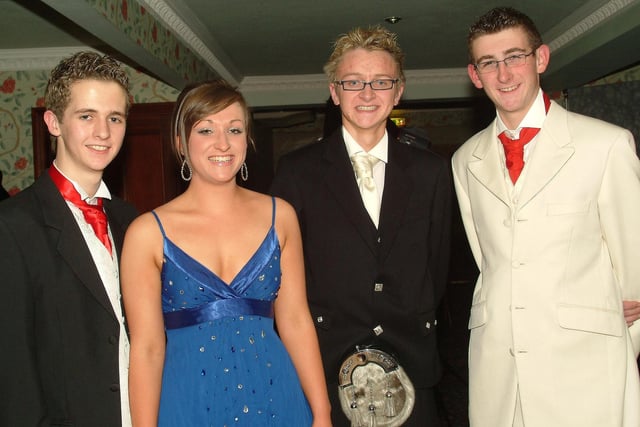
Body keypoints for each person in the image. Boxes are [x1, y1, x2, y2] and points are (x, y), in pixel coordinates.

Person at [452, 7, 640, 427]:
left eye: (515, 56)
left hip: (586, 372)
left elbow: (635, 283)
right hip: (498, 374)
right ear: (475, 74)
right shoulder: (465, 159)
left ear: (541, 59)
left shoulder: (606, 145)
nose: (504, 74)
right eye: (489, 63)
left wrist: (613, 356)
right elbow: (491, 264)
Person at [121, 79, 331, 426]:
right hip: (189, 404)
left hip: (278, 399)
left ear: (247, 140)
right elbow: (146, 349)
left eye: (234, 129)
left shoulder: (281, 217)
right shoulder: (146, 233)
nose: (222, 143)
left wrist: (321, 413)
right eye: (205, 130)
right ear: (181, 144)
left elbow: (295, 321)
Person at [270, 26, 451, 426]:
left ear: (398, 91)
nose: (367, 94)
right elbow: (286, 280)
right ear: (334, 93)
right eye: (353, 82)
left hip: (413, 368)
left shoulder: (432, 172)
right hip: (327, 367)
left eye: (380, 82)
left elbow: (437, 270)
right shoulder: (296, 173)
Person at [0, 51, 137, 426]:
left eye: (114, 118)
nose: (103, 132)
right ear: (53, 122)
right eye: (86, 116)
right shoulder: (12, 225)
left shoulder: (133, 222)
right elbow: (12, 370)